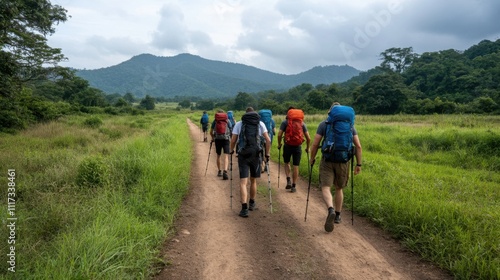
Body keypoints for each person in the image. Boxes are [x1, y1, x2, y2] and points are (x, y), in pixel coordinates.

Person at [309, 102, 363, 233]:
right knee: (339, 188)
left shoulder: (324, 124)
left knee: (326, 187)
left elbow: (315, 144)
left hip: (327, 159)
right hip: (343, 161)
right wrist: (358, 164)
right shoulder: (350, 126)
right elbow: (358, 147)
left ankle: (330, 209)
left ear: (330, 112)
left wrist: (312, 158)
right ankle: (338, 215)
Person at [230, 107, 271, 218]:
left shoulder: (239, 124)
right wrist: (267, 154)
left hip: (243, 154)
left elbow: (233, 140)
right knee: (253, 180)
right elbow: (268, 140)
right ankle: (252, 203)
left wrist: (231, 150)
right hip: (256, 154)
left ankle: (244, 209)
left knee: (243, 182)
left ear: (245, 114)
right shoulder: (260, 124)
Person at [277, 107, 311, 193]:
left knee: (287, 162)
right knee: (296, 165)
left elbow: (279, 134)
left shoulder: (285, 122)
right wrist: (307, 147)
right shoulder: (302, 123)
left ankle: (288, 179)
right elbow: (308, 138)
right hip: (297, 146)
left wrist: (279, 144)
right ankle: (294, 185)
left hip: (287, 145)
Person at [209, 110, 231, 180]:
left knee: (218, 155)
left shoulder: (215, 120)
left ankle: (219, 171)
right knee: (226, 156)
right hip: (226, 139)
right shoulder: (227, 120)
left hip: (217, 139)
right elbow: (231, 129)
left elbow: (210, 132)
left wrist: (213, 138)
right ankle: (225, 171)